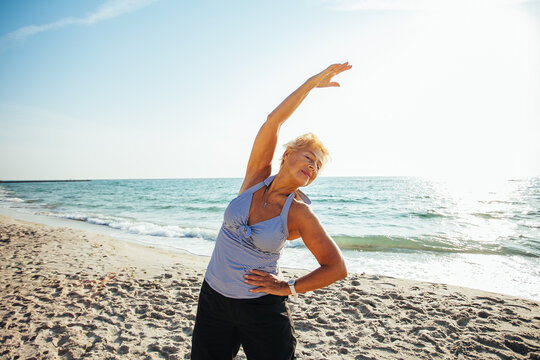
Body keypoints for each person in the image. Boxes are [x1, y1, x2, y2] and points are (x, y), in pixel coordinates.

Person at [191, 62, 352, 360]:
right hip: (213, 298)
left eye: (317, 166)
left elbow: (336, 267)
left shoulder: (299, 213)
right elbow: (272, 122)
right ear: (287, 155)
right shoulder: (255, 178)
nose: (313, 166)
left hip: (260, 309)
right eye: (309, 157)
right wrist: (310, 83)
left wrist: (289, 287)